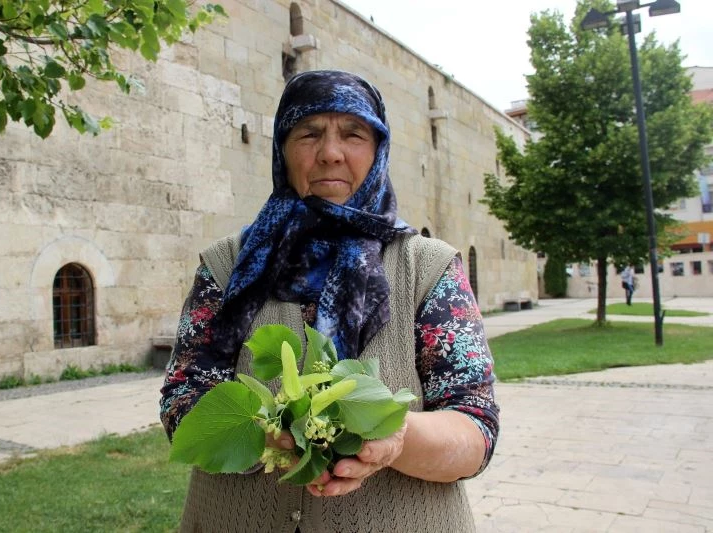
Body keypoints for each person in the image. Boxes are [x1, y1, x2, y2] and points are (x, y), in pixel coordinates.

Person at [160, 70, 499, 532]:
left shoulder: (428, 268)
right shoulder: (225, 266)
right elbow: (183, 403)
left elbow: (475, 428)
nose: (330, 153)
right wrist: (267, 435)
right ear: (282, 148)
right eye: (309, 133)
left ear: (379, 149)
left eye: (354, 133)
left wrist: (397, 437)